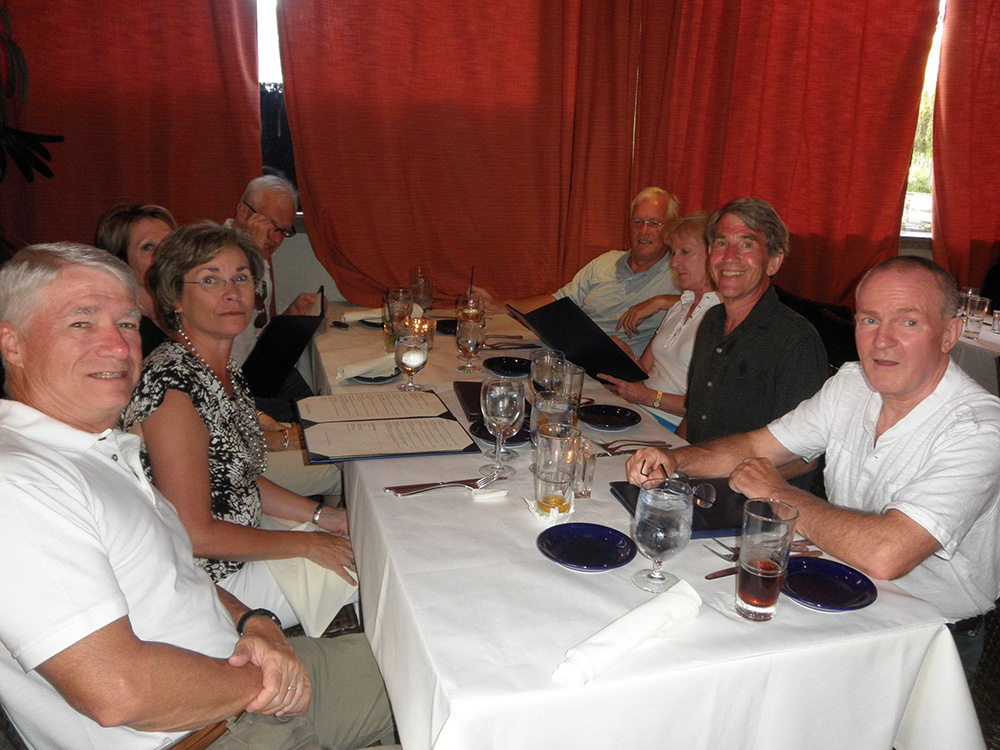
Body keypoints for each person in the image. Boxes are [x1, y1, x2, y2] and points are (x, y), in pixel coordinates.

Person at [0, 243, 396, 750]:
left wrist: (252, 620)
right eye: (82, 323)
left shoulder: (100, 449)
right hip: (201, 732)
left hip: (239, 665)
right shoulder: (20, 487)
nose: (118, 347)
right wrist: (262, 684)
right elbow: (117, 692)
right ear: (12, 344)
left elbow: (175, 573)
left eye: (126, 324)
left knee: (447, 665)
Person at [626, 256, 1000, 678]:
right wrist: (676, 460)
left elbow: (887, 554)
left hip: (930, 633)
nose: (882, 341)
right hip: (838, 594)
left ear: (950, 333)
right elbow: (757, 445)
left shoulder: (979, 429)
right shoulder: (852, 384)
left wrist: (776, 493)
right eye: (869, 320)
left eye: (908, 322)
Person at [120, 222, 354, 628]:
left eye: (241, 278)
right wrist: (305, 543)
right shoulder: (174, 389)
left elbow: (238, 478)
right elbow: (194, 534)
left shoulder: (221, 369)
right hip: (210, 579)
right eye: (210, 280)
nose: (232, 293)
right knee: (375, 561)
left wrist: (323, 516)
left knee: (365, 536)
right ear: (175, 297)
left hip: (242, 537)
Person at [95, 204, 338, 498]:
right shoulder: (151, 356)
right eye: (148, 248)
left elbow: (231, 449)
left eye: (241, 278)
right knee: (339, 460)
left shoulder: (216, 354)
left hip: (236, 469)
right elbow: (201, 494)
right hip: (206, 503)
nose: (232, 293)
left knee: (336, 435)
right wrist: (284, 438)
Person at [680, 197, 827, 488]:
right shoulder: (711, 321)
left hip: (752, 498)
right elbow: (694, 418)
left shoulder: (796, 341)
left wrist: (726, 483)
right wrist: (672, 464)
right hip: (694, 481)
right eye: (721, 243)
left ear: (774, 261)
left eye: (746, 244)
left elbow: (805, 458)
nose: (729, 257)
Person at [474, 187, 681, 356]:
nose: (643, 231)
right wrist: (501, 305)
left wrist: (660, 301)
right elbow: (557, 302)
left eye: (654, 223)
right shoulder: (606, 262)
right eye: (637, 222)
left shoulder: (678, 273)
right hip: (570, 354)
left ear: (671, 228)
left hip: (616, 370)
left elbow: (701, 308)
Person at [596, 213, 719, 431]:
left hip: (671, 424)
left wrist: (648, 397)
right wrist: (625, 356)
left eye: (685, 252)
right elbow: (644, 371)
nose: (674, 262)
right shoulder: (680, 306)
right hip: (639, 410)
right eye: (673, 253)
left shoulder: (722, 317)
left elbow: (710, 407)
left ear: (713, 256)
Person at [95, 203, 175, 356]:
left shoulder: (192, 313)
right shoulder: (124, 330)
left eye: (169, 243)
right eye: (147, 247)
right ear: (121, 261)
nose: (164, 254)